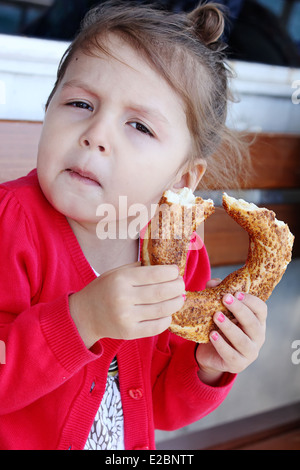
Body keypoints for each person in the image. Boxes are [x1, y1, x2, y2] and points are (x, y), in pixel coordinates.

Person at [0, 1, 267, 450]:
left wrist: (209, 364)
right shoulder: (12, 224)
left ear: (182, 179)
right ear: (47, 110)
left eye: (139, 127)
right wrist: (82, 320)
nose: (96, 134)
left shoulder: (177, 253)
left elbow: (161, 406)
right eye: (80, 103)